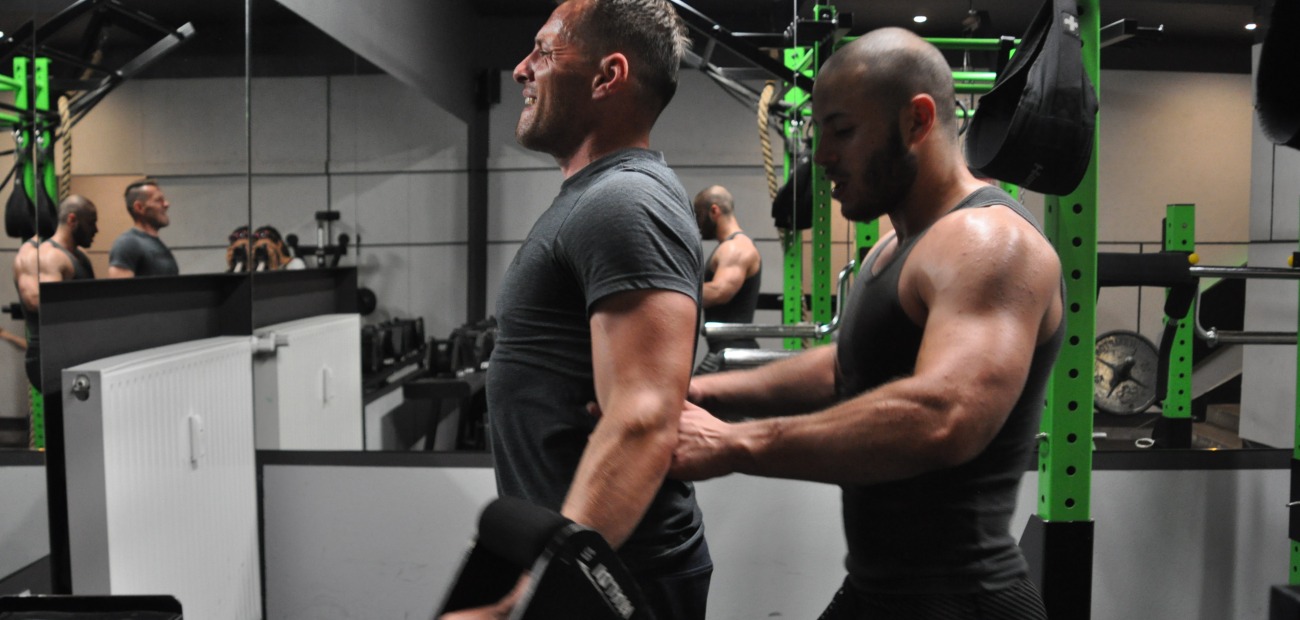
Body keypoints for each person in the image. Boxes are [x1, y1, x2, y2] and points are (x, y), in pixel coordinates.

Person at [670, 28, 1064, 619]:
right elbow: (846, 366)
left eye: (843, 130)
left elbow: (944, 415)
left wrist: (735, 444)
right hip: (880, 592)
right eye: (820, 132)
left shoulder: (989, 241)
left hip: (962, 601)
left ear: (917, 121)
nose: (823, 155)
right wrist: (702, 391)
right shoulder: (894, 245)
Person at [446, 1, 709, 619]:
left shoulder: (625, 201)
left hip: (617, 578)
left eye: (543, 51)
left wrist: (530, 597)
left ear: (607, 76)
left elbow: (642, 420)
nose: (520, 69)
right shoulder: (597, 198)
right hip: (591, 563)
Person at [12, 194, 98, 390]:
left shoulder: (80, 257)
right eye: (91, 222)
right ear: (72, 220)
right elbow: (38, 303)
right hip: (50, 355)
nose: (96, 229)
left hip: (75, 349)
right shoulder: (49, 257)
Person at [692, 185, 762, 374]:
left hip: (733, 354)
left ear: (714, 211)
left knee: (693, 391)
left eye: (699, 215)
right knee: (690, 391)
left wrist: (675, 291)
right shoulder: (730, 246)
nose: (697, 223)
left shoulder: (735, 248)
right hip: (726, 351)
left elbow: (720, 292)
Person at [108, 178, 178, 278]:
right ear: (139, 207)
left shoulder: (156, 243)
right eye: (159, 200)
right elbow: (119, 287)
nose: (166, 204)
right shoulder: (127, 244)